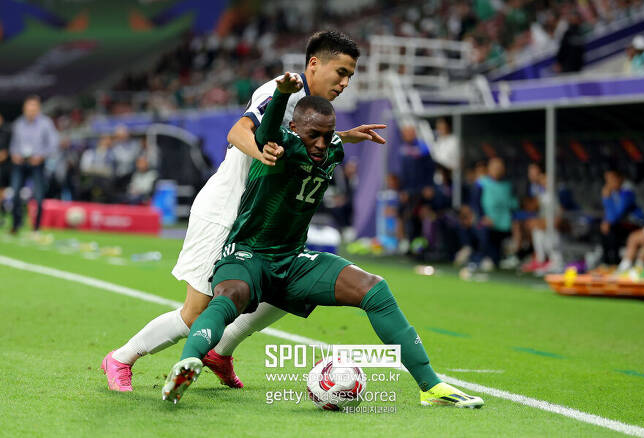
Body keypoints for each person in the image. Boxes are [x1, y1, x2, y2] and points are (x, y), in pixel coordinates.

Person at [161, 73, 484, 409]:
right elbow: (268, 129)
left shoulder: (333, 148)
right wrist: (283, 96)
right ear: (295, 130)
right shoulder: (277, 145)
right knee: (229, 297)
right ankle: (188, 363)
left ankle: (431, 387)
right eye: (312, 135)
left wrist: (346, 136)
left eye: (327, 135)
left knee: (374, 289)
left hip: (291, 261)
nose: (320, 143)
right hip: (248, 255)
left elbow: (331, 141)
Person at [102, 31, 387, 392]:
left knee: (290, 288)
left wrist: (343, 136)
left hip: (260, 222)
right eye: (341, 72)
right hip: (224, 211)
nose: (345, 83)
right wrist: (260, 153)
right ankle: (121, 358)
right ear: (314, 64)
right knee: (196, 314)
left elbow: (299, 141)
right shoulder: (282, 91)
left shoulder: (312, 108)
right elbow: (238, 131)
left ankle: (221, 352)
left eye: (350, 76)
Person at [9, 95, 59, 233]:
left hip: (37, 163)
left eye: (34, 107)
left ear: (38, 109)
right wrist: (14, 155)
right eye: (28, 107)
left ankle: (37, 226)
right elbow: (14, 144)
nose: (31, 110)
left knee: (38, 195)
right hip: (20, 163)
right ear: (24, 108)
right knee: (15, 193)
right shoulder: (18, 123)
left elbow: (53, 144)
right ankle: (16, 224)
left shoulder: (46, 123)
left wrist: (41, 156)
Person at [600, 168, 644, 265]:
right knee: (604, 228)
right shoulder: (614, 192)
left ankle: (614, 262)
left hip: (640, 224)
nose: (609, 184)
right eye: (607, 181)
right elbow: (610, 215)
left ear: (620, 178)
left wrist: (606, 199)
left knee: (612, 229)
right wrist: (606, 221)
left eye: (612, 180)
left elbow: (617, 215)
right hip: (625, 224)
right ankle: (606, 262)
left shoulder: (627, 191)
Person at [0, 114, 11, 225]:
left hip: (3, 168)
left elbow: (5, 153)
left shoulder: (7, 132)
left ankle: (2, 216)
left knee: (1, 192)